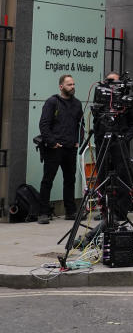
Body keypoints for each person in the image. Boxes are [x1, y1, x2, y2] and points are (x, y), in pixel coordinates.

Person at [37, 74, 84, 224]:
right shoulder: (52, 102)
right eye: (69, 84)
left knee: (70, 180)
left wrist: (79, 141)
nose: (73, 87)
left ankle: (70, 211)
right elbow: (44, 124)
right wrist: (52, 142)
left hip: (70, 148)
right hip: (54, 148)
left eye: (73, 84)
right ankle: (43, 213)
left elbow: (81, 125)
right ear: (61, 86)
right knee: (47, 180)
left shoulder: (77, 104)